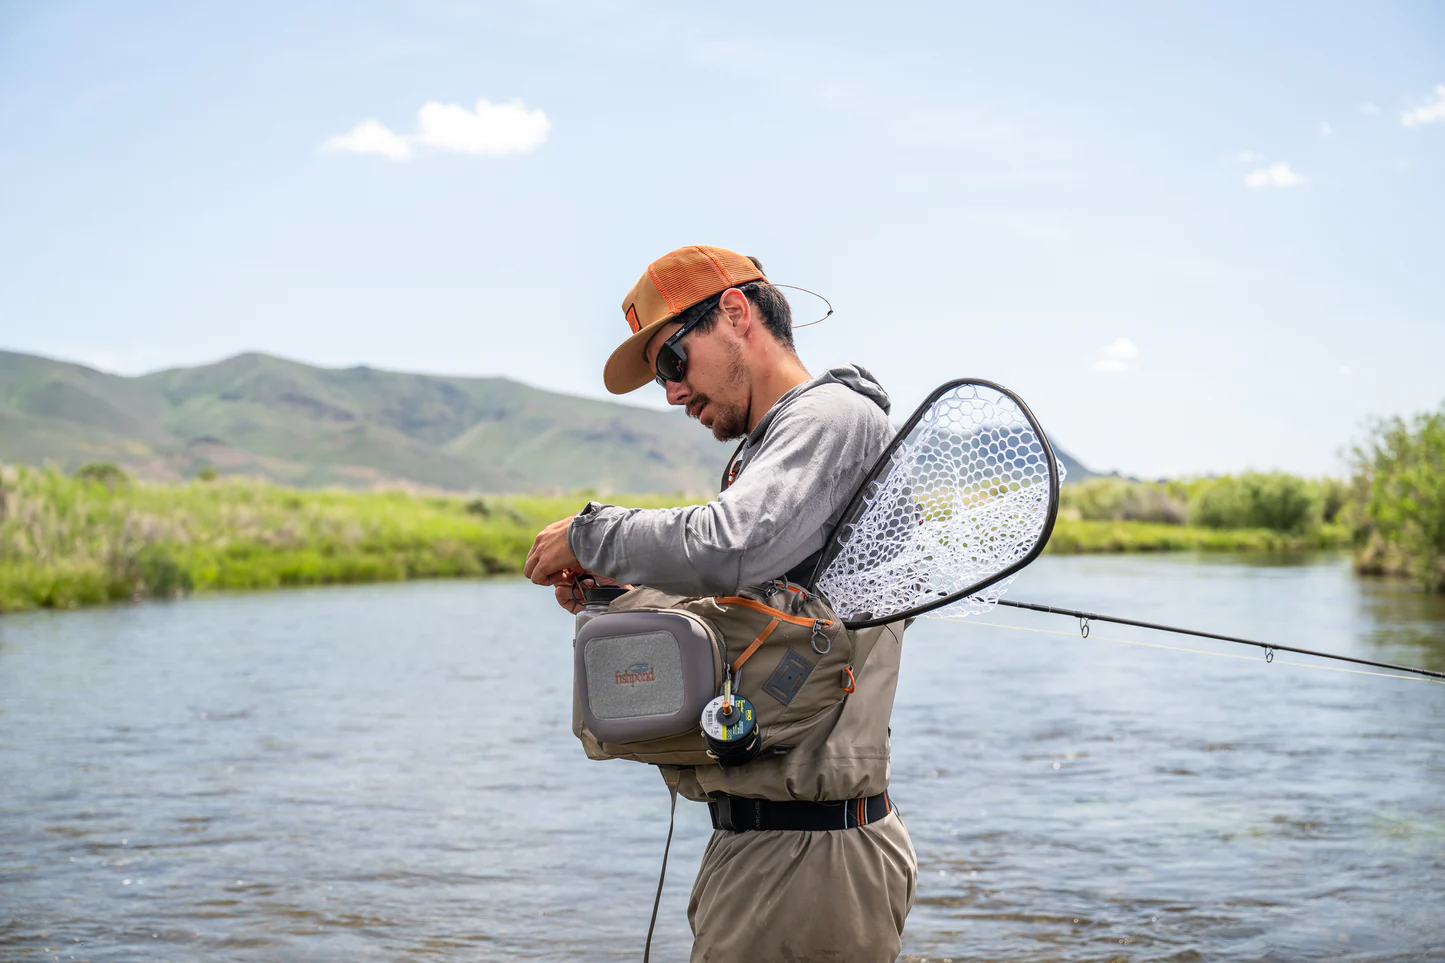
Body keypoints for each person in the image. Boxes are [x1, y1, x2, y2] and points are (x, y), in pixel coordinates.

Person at [524, 245, 917, 962]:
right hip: (773, 849)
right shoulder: (781, 441)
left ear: (735, 313)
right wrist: (608, 590)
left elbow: (729, 546)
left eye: (672, 362)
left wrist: (590, 532)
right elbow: (754, 594)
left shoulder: (828, 416)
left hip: (808, 857)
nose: (670, 392)